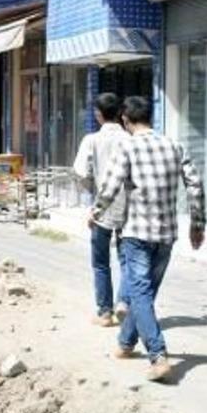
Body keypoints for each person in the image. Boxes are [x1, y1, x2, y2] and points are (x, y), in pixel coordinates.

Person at [90, 96, 205, 382]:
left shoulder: (126, 146)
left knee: (140, 293)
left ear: (126, 121)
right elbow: (195, 184)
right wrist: (198, 224)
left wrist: (95, 212)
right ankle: (125, 343)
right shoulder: (173, 145)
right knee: (145, 292)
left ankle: (158, 355)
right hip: (166, 234)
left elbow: (111, 185)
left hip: (137, 234)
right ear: (150, 118)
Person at [73, 93, 130, 327]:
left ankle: (104, 312)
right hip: (130, 208)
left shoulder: (91, 140)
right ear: (120, 114)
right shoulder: (131, 138)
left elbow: (81, 173)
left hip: (101, 208)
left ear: (98, 114)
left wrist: (91, 191)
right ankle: (124, 303)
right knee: (127, 260)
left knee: (100, 262)